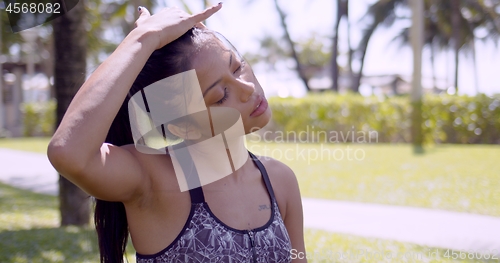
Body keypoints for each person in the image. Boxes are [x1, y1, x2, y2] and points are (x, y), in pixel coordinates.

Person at [47, 3, 306, 263]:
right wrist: (144, 38)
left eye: (237, 67)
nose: (247, 87)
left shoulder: (278, 179)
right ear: (184, 125)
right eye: (220, 95)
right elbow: (68, 152)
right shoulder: (153, 181)